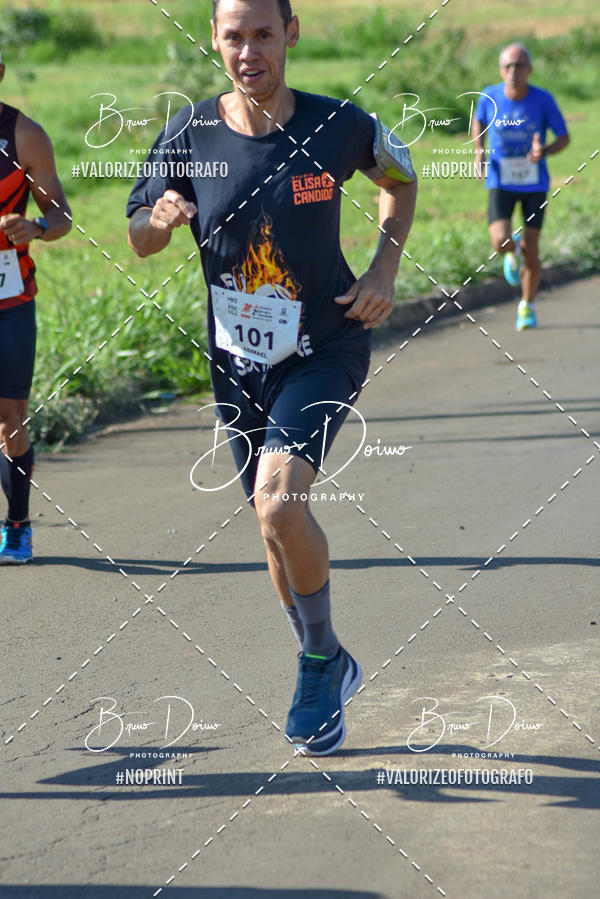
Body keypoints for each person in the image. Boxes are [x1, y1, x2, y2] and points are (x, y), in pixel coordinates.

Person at [127, 0, 417, 756]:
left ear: (291, 33)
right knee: (268, 523)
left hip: (326, 344)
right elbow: (139, 236)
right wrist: (157, 220)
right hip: (238, 364)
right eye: (234, 36)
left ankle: (320, 661)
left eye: (264, 33)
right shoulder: (189, 134)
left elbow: (400, 176)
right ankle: (322, 656)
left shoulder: (337, 125)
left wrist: (386, 263)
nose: (249, 50)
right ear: (215, 41)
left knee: (278, 497)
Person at [0, 51, 71, 563]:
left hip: (10, 297)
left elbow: (60, 213)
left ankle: (18, 523)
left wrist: (37, 228)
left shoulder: (24, 135)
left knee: (10, 417)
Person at [473, 43, 569, 331]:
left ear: (530, 69)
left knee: (532, 248)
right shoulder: (489, 96)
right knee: (500, 241)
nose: (513, 72)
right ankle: (510, 254)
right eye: (508, 66)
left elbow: (564, 137)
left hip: (534, 184)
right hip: (502, 180)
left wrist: (545, 151)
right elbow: (478, 120)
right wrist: (479, 150)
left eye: (519, 66)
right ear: (501, 70)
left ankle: (527, 306)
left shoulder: (543, 100)